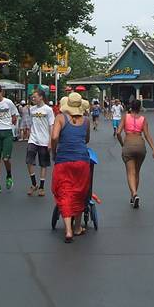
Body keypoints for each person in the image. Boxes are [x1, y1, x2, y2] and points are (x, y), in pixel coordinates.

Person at [50, 93, 91, 243]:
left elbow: (54, 137)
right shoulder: (86, 121)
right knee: (79, 192)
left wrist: (54, 152)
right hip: (82, 161)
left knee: (65, 192)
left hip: (63, 161)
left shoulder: (60, 118)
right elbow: (86, 140)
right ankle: (78, 227)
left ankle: (68, 231)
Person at [116, 98, 154, 208]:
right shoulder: (143, 119)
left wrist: (122, 144)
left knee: (131, 173)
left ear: (130, 107)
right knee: (137, 172)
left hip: (128, 145)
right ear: (139, 108)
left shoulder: (126, 117)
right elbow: (147, 135)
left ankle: (134, 193)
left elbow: (118, 133)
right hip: (140, 146)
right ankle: (133, 196)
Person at [26, 87, 54, 196]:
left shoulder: (48, 110)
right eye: (32, 97)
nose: (33, 98)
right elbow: (31, 123)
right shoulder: (32, 109)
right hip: (33, 139)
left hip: (44, 140)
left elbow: (51, 126)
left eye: (35, 97)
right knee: (29, 161)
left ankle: (42, 187)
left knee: (43, 164)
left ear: (41, 97)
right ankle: (34, 184)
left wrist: (50, 141)